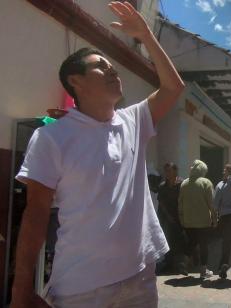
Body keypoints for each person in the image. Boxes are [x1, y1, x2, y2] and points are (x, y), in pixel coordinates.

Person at [10, 2, 185, 307]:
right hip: (82, 289)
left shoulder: (134, 121)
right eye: (100, 66)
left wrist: (145, 34)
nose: (111, 69)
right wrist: (21, 291)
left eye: (111, 66)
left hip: (141, 278)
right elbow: (35, 214)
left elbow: (173, 87)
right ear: (75, 82)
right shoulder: (52, 137)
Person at [178, 160, 215, 278]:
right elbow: (212, 204)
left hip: (188, 221)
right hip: (203, 221)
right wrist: (215, 218)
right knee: (204, 246)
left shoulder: (184, 183)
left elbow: (180, 204)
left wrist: (182, 219)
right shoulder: (206, 183)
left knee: (191, 243)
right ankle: (203, 271)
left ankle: (183, 261)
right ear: (203, 170)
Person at [157, 163, 183, 273]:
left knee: (179, 240)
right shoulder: (162, 186)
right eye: (166, 171)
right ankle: (169, 263)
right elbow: (161, 202)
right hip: (166, 218)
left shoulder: (181, 184)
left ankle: (181, 264)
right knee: (167, 240)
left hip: (179, 217)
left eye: (169, 170)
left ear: (175, 171)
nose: (167, 173)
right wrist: (168, 216)